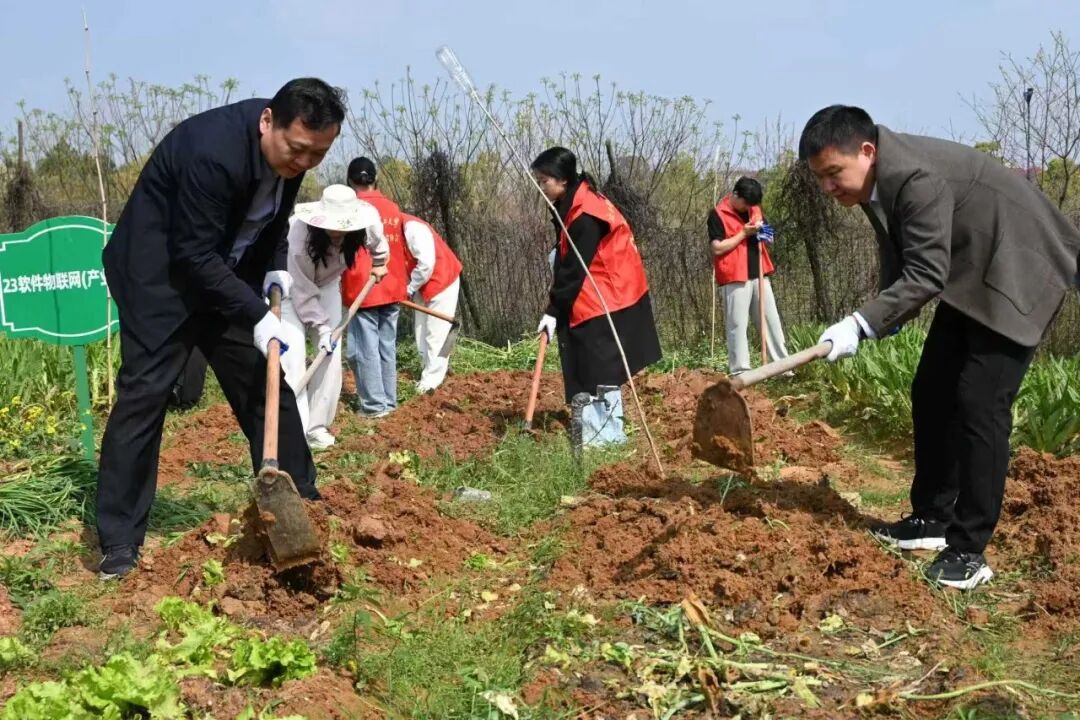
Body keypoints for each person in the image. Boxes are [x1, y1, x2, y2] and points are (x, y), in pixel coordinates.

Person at [799, 105, 1080, 590]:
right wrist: (884, 317)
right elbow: (900, 253)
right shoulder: (871, 180)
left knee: (979, 402)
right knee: (932, 389)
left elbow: (927, 274)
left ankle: (969, 550)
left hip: (1018, 263)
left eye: (832, 173)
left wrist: (860, 323)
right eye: (820, 177)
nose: (827, 187)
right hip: (971, 270)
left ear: (866, 151)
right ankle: (931, 519)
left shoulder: (914, 176)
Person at [97, 78, 347, 580]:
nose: (303, 163)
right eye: (297, 150)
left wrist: (274, 267)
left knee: (264, 383)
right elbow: (192, 254)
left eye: (317, 155)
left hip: (221, 276)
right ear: (267, 121)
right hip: (159, 282)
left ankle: (302, 504)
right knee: (145, 396)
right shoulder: (211, 153)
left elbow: (271, 220)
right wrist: (256, 315)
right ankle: (119, 542)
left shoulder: (291, 155)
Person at [530, 146, 662, 447]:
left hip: (608, 296)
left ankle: (605, 436)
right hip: (605, 289)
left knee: (598, 366)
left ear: (563, 179)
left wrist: (553, 310)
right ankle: (599, 431)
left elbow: (574, 271)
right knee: (593, 363)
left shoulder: (586, 214)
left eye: (544, 181)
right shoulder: (577, 200)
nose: (541, 187)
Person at [281, 185, 390, 449]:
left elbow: (379, 245)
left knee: (330, 356)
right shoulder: (299, 237)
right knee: (292, 359)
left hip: (328, 285)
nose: (337, 231)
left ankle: (316, 427)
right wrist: (322, 328)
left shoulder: (367, 224)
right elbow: (302, 290)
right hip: (291, 289)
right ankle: (293, 430)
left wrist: (379, 262)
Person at [341, 157, 409, 417]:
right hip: (391, 286)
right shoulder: (392, 207)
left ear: (350, 181)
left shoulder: (352, 209)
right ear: (375, 179)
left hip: (364, 288)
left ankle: (373, 406)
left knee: (363, 350)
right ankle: (389, 402)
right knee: (386, 346)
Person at [708, 177, 790, 375]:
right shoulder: (718, 214)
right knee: (737, 325)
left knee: (771, 321)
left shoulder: (755, 210)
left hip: (759, 273)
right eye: (745, 204)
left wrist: (765, 234)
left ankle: (782, 368)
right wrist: (743, 234)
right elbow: (717, 248)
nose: (748, 208)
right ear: (735, 194)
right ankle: (741, 371)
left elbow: (769, 237)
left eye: (751, 205)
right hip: (734, 276)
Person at [402, 212, 463, 393]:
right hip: (421, 284)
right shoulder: (391, 230)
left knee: (436, 334)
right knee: (421, 332)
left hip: (442, 279)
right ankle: (428, 371)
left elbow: (426, 264)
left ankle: (431, 383)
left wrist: (408, 289)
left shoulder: (413, 228)